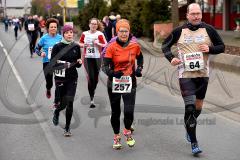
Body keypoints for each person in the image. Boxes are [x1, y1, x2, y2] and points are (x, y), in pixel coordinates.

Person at [161, 3, 225, 155]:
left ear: (201, 14)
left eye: (198, 13)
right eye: (193, 14)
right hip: (185, 75)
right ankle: (194, 142)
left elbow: (221, 46)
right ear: (187, 15)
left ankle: (189, 127)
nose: (196, 16)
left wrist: (210, 49)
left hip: (203, 75)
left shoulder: (209, 29)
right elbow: (165, 46)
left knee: (197, 108)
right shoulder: (179, 31)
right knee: (189, 108)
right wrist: (171, 58)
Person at [102, 19, 143, 149]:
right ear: (117, 32)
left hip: (130, 81)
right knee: (116, 111)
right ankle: (116, 136)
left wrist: (139, 69)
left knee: (129, 111)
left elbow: (140, 58)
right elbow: (104, 66)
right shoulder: (111, 47)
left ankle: (127, 130)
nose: (124, 33)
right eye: (121, 31)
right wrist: (113, 73)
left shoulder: (135, 45)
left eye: (126, 31)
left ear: (129, 32)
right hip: (114, 82)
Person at [51, 25, 82, 136]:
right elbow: (52, 64)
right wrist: (62, 64)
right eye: (67, 32)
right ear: (63, 34)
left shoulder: (76, 47)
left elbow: (78, 64)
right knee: (62, 104)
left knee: (70, 102)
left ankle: (67, 128)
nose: (69, 34)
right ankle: (57, 111)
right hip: (60, 78)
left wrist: (79, 63)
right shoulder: (57, 47)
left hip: (72, 78)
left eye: (71, 32)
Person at [79, 18, 107, 108]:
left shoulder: (100, 34)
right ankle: (92, 99)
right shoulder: (84, 34)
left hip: (97, 58)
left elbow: (106, 45)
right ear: (89, 24)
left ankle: (93, 92)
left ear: (97, 26)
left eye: (95, 24)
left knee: (95, 78)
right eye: (92, 24)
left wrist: (98, 43)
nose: (94, 25)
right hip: (87, 58)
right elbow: (79, 43)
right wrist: (84, 45)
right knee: (90, 78)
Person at [34, 18, 62, 100]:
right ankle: (48, 89)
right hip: (47, 62)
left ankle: (57, 100)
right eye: (51, 27)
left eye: (55, 27)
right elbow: (36, 49)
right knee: (49, 82)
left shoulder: (60, 38)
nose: (53, 28)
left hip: (58, 63)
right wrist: (41, 53)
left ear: (57, 28)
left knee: (59, 82)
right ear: (48, 28)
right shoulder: (44, 38)